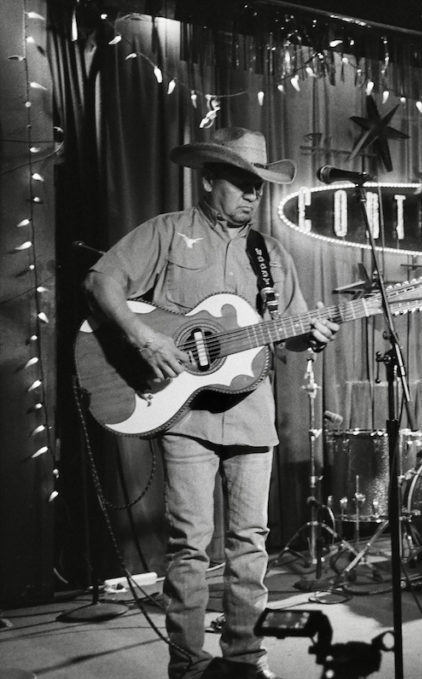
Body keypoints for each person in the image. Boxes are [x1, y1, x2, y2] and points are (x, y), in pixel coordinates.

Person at [84, 127, 339, 679]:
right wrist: (141, 335)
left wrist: (309, 333)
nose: (253, 194)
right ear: (208, 180)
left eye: (259, 185)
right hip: (186, 416)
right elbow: (102, 279)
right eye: (242, 182)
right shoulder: (169, 232)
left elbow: (285, 330)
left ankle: (245, 660)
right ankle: (189, 665)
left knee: (250, 545)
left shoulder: (270, 255)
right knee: (190, 546)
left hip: (252, 417)